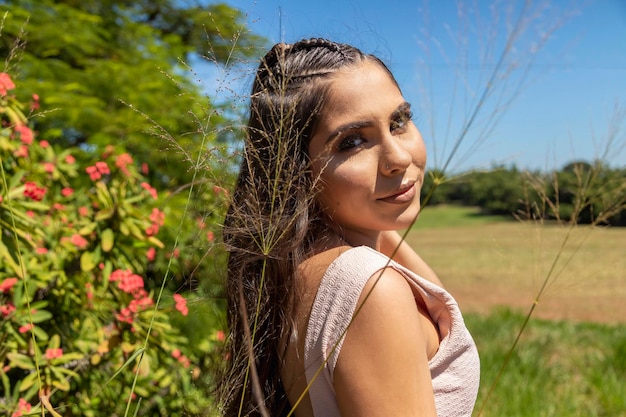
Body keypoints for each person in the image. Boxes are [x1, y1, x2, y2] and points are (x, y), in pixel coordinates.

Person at [219, 38, 480, 417]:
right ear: (295, 170)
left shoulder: (295, 265)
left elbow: (440, 300)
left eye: (399, 121)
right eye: (353, 142)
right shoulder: (372, 291)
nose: (399, 158)